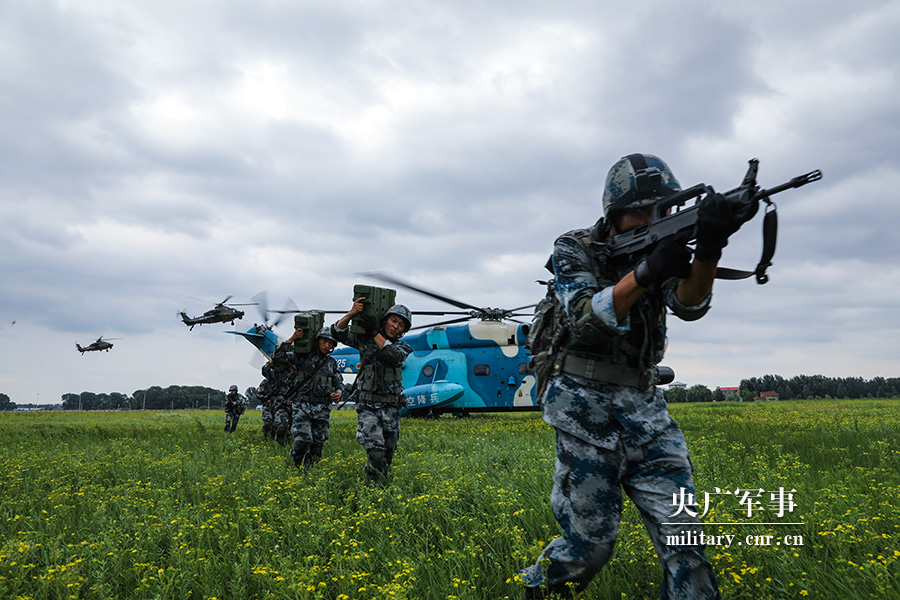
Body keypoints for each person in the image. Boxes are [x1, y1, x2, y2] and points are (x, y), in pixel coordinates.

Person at [520, 153, 740, 599]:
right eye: (642, 210)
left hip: (646, 411)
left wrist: (710, 248)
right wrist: (644, 272)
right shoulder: (574, 248)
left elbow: (690, 305)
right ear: (615, 213)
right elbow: (583, 316)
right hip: (583, 412)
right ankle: (538, 589)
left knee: (687, 540)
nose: (655, 219)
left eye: (664, 208)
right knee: (589, 547)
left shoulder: (662, 246)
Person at [331, 299, 413, 484]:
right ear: (385, 320)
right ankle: (373, 488)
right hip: (367, 405)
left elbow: (392, 355)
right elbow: (337, 332)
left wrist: (374, 332)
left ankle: (383, 486)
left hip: (391, 407)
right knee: (375, 451)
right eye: (393, 321)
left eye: (400, 325)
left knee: (387, 457)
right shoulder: (365, 340)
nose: (395, 327)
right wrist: (352, 313)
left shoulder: (403, 347)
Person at [287, 327, 345, 467]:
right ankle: (295, 466)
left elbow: (339, 383)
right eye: (324, 341)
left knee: (317, 446)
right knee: (303, 440)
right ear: (318, 340)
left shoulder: (331, 363)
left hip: (322, 410)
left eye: (331, 343)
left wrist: (338, 392)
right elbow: (278, 357)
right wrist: (291, 339)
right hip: (302, 407)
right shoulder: (301, 357)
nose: (327, 346)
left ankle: (310, 474)